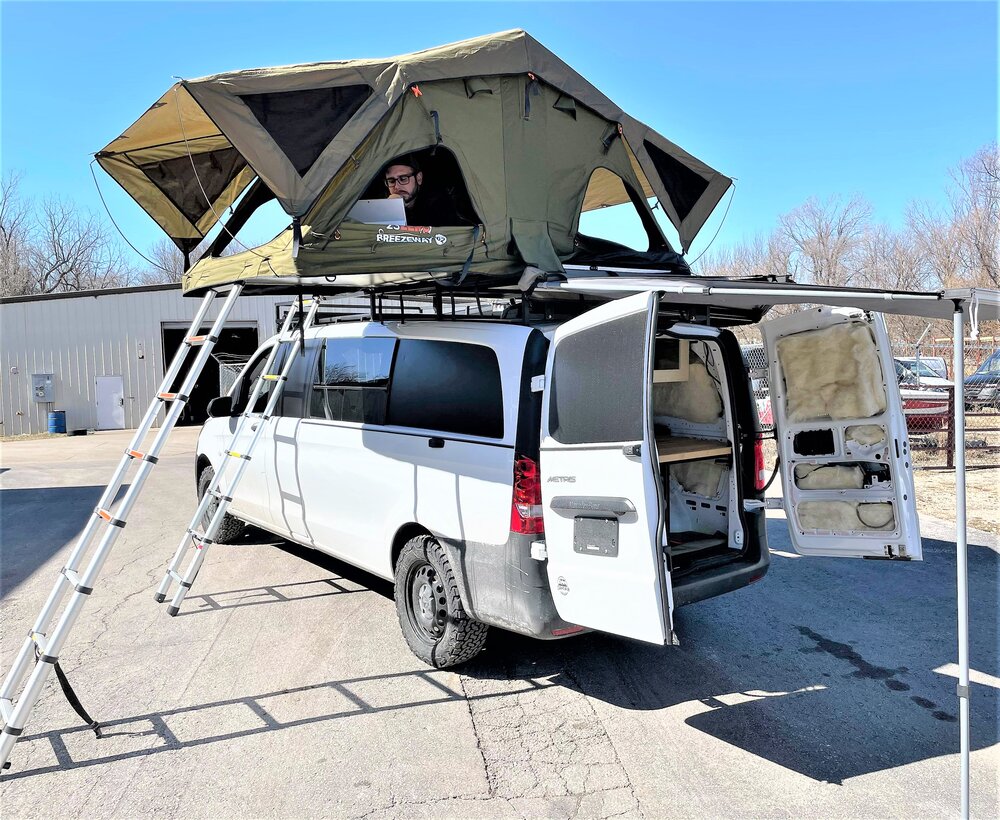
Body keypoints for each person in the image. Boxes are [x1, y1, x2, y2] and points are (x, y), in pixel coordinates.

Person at [383, 156, 468, 227]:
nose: (397, 186)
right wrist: (391, 209)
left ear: (419, 178)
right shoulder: (381, 205)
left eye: (403, 179)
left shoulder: (439, 206)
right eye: (391, 181)